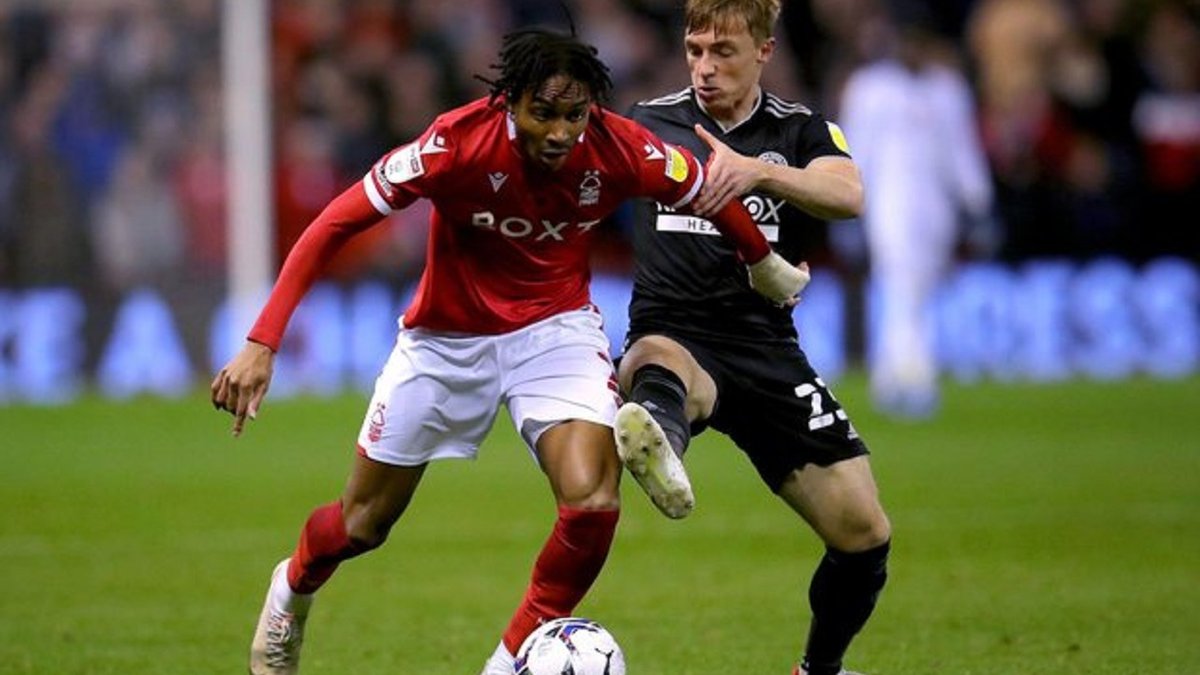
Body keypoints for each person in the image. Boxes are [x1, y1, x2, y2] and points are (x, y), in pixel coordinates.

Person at [209, 26, 808, 675]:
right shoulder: (454, 144)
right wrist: (262, 341)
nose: (561, 132)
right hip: (445, 341)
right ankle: (291, 587)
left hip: (555, 333)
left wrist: (765, 264)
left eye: (575, 115)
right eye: (543, 113)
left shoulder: (621, 147)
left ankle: (505, 664)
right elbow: (336, 222)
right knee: (362, 524)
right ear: (509, 102)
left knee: (592, 501)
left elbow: (706, 188)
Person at [613, 1, 892, 674]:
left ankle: (818, 670)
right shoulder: (649, 121)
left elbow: (848, 194)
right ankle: (656, 437)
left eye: (724, 52)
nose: (705, 68)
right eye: (695, 50)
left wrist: (759, 171)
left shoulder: (800, 129)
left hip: (767, 350)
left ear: (764, 51)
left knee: (864, 534)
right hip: (675, 329)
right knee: (657, 362)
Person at [840, 0, 995, 418]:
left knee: (918, 290)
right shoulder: (870, 88)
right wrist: (847, 207)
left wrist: (978, 203)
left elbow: (962, 154)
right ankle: (917, 379)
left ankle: (890, 377)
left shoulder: (947, 89)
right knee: (900, 283)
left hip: (936, 208)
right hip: (888, 201)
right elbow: (855, 151)